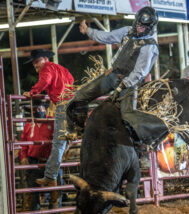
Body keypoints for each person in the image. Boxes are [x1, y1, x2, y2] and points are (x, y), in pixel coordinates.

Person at [66, 6, 167, 146]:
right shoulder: (127, 31)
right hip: (113, 75)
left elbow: (140, 72)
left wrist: (124, 85)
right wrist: (89, 31)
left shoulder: (150, 46)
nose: (139, 28)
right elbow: (108, 37)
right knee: (81, 95)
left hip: (129, 83)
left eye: (143, 27)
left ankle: (144, 143)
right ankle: (78, 129)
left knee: (127, 115)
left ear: (150, 27)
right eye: (138, 24)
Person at [23, 49, 74, 189]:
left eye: (37, 61)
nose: (35, 65)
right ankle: (51, 175)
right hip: (73, 104)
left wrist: (33, 92)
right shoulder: (61, 68)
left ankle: (50, 176)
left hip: (62, 105)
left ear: (45, 59)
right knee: (63, 142)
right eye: (34, 63)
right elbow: (71, 80)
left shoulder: (46, 69)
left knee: (58, 143)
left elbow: (45, 81)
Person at [19, 100, 62, 214]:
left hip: (51, 161)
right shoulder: (28, 124)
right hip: (33, 161)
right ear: (32, 110)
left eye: (41, 107)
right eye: (35, 108)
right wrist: (23, 156)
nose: (38, 110)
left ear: (45, 108)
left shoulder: (52, 122)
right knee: (34, 191)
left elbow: (60, 139)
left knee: (55, 190)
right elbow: (23, 143)